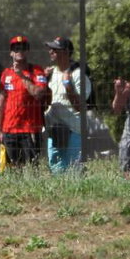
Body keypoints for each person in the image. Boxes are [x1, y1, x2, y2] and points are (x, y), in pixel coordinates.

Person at [0, 34, 47, 172]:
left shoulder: (36, 71)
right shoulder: (6, 73)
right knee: (12, 169)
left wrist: (21, 76)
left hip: (30, 129)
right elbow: (1, 102)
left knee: (31, 168)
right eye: (16, 48)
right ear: (11, 52)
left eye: (23, 48)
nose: (20, 51)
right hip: (9, 129)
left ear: (27, 51)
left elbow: (38, 93)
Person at [43, 36, 89, 173]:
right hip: (54, 131)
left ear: (67, 52)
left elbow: (79, 106)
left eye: (55, 49)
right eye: (50, 49)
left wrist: (68, 85)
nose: (51, 52)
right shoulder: (51, 73)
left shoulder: (78, 75)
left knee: (73, 172)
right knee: (56, 170)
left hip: (74, 130)